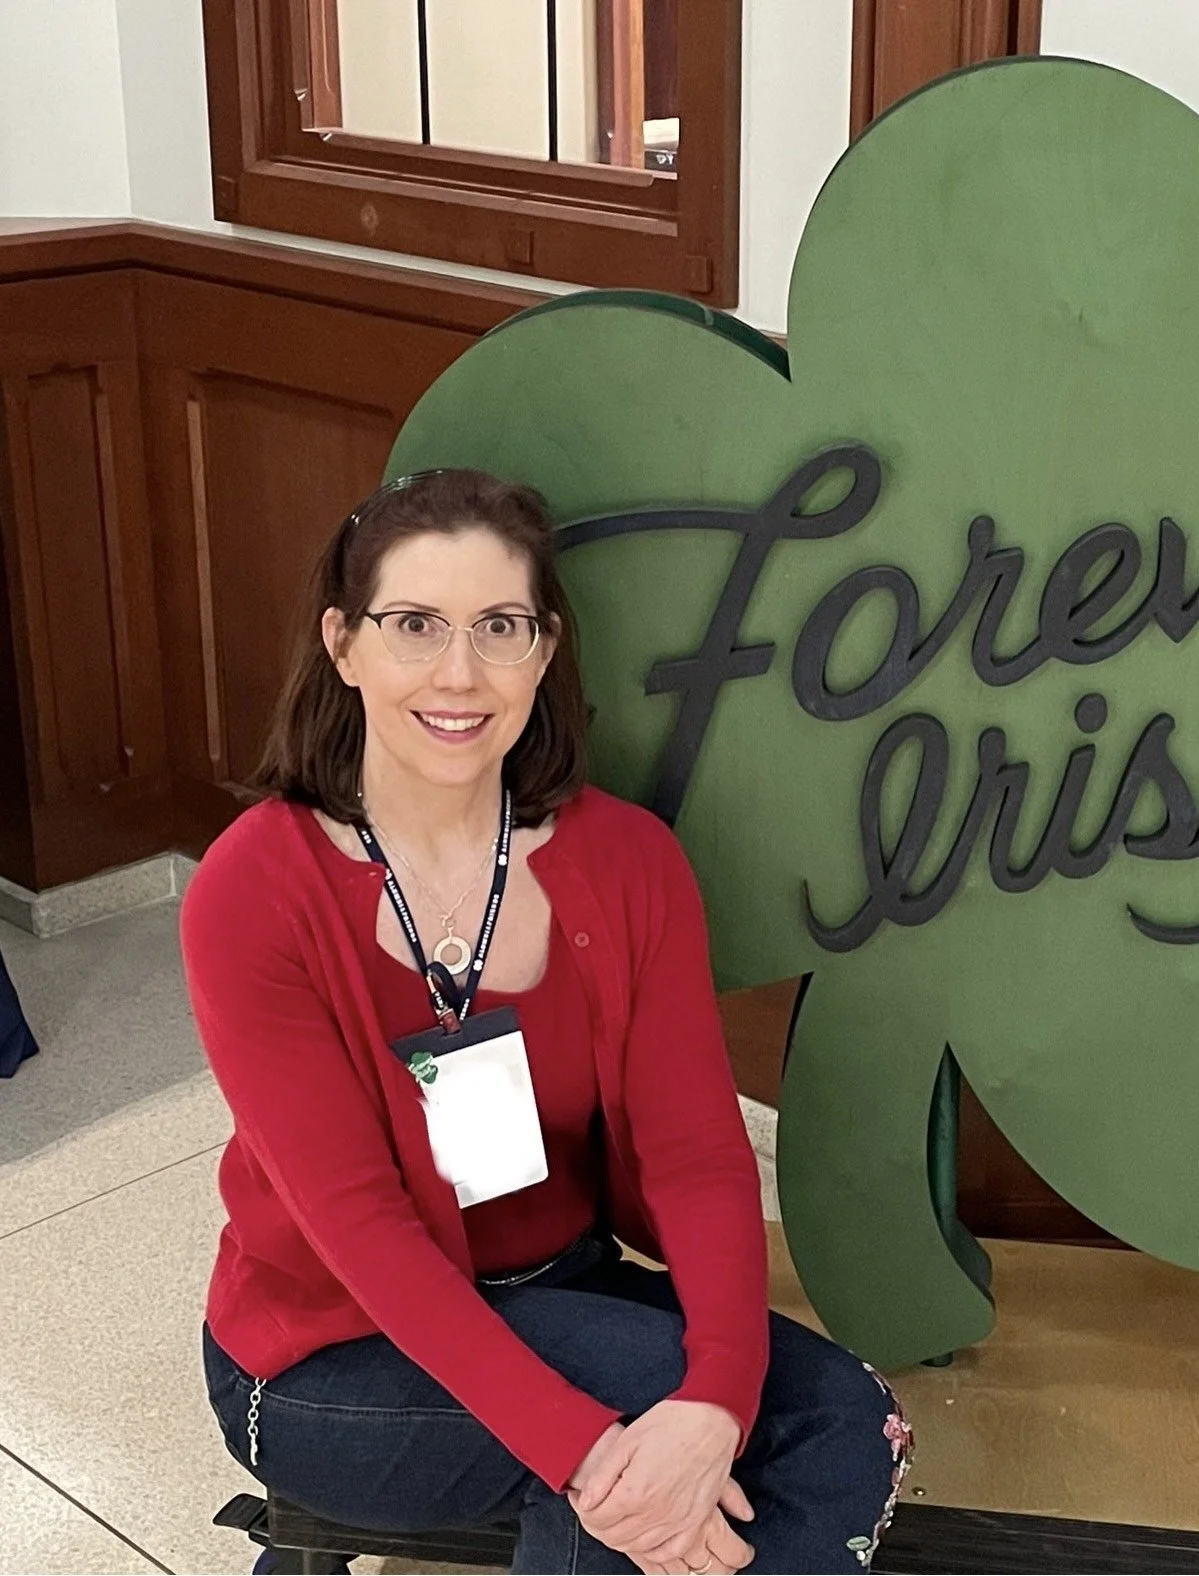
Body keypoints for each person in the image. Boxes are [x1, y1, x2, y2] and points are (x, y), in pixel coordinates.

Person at [182, 469, 912, 1575]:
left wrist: (713, 1399)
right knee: (627, 1448)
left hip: (560, 1289)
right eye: (415, 624)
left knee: (843, 1413)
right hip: (327, 1355)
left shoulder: (625, 863)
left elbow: (699, 1157)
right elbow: (365, 1232)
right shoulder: (255, 892)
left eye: (500, 627)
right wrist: (592, 1452)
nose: (460, 672)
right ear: (343, 644)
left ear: (544, 647)